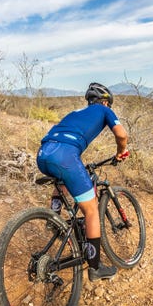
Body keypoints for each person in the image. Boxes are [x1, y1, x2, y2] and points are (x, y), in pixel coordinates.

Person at [36, 82, 129, 281]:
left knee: (62, 179)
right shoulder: (103, 110)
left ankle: (54, 219)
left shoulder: (74, 113)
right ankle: (95, 268)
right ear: (105, 101)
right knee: (92, 210)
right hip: (66, 155)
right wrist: (121, 152)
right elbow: (121, 134)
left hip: (44, 153)